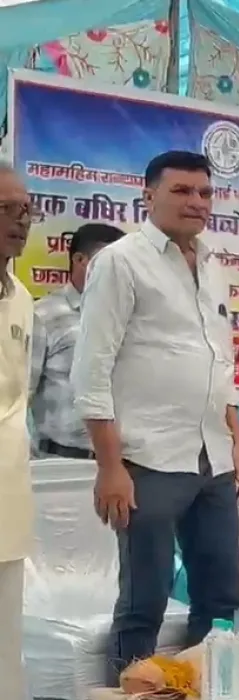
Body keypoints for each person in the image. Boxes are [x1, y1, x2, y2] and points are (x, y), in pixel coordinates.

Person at [71, 151, 239, 677]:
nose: (197, 202)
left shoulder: (213, 264)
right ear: (148, 196)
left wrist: (238, 442)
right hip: (147, 459)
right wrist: (110, 467)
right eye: (182, 191)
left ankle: (208, 686)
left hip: (213, 460)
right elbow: (92, 371)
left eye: (205, 192)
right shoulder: (120, 262)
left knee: (222, 592)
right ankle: (130, 690)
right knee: (143, 601)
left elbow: (221, 362)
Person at [30, 223, 125, 459]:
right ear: (79, 260)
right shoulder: (43, 315)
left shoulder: (131, 316)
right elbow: (18, 395)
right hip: (62, 461)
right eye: (108, 263)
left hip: (126, 461)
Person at [0, 162, 35, 700]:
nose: (21, 221)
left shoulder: (21, 297)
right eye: (7, 209)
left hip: (7, 497)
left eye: (27, 210)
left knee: (5, 642)